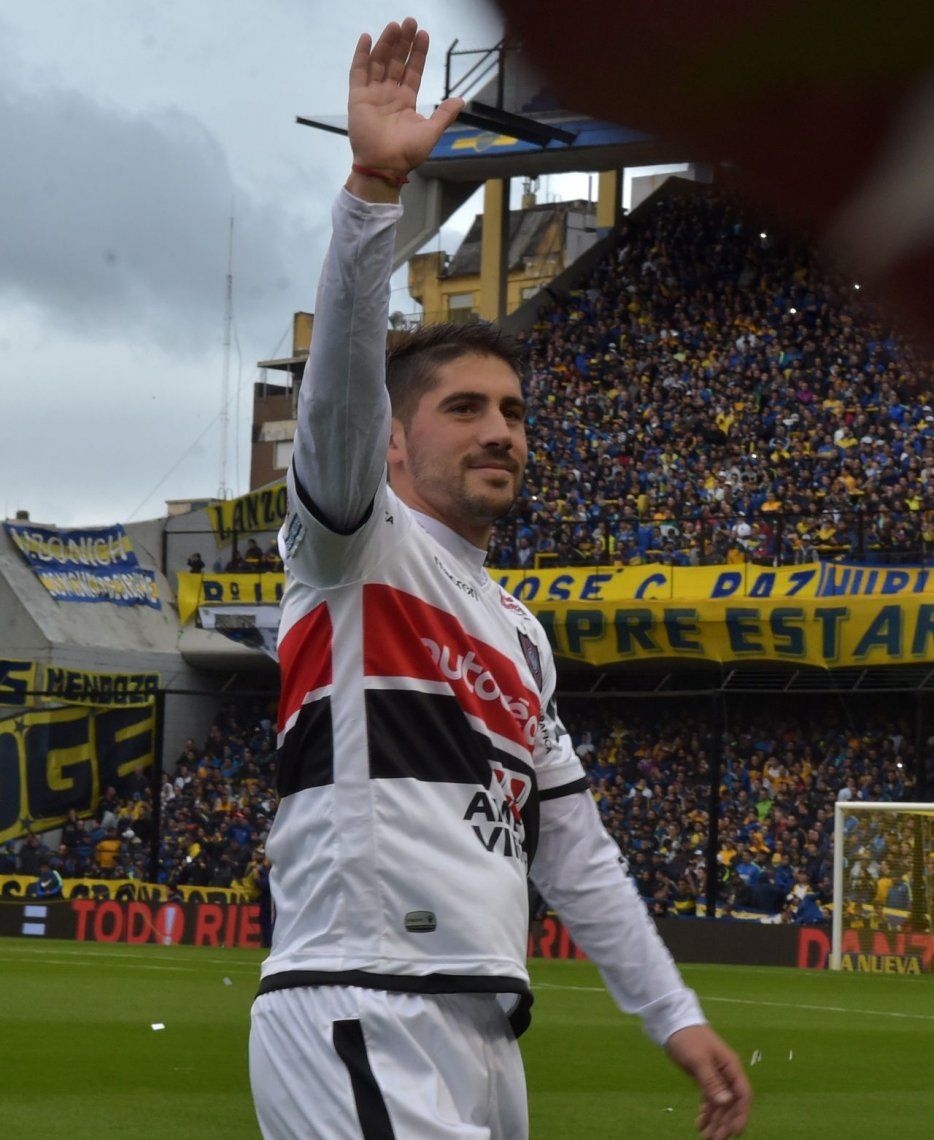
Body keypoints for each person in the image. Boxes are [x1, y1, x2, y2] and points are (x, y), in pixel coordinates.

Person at [249, 18, 750, 1140]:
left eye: (514, 412)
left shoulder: (519, 633)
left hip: (484, 1027)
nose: (500, 432)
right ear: (390, 442)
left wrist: (672, 1014)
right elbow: (335, 399)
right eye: (465, 408)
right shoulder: (353, 551)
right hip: (362, 999)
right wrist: (374, 193)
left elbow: (572, 848)